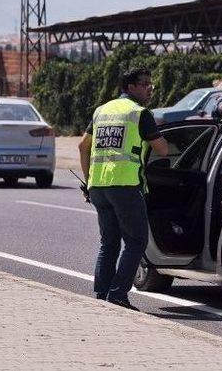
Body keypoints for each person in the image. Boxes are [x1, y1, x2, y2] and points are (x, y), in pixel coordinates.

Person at [77, 68, 168, 310]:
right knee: (136, 241)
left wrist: (88, 182)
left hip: (99, 186)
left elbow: (82, 146)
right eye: (144, 84)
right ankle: (118, 294)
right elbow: (163, 150)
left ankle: (102, 293)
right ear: (130, 87)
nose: (149, 88)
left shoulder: (101, 111)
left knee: (109, 243)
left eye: (151, 83)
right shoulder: (139, 113)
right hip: (126, 185)